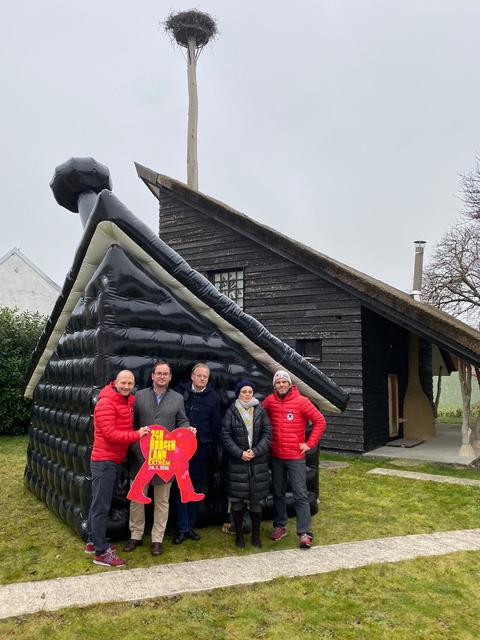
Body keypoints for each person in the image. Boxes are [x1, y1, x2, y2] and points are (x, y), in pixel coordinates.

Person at [124, 360, 192, 556]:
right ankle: (135, 535)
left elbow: (182, 422)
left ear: (170, 377)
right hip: (141, 458)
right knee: (137, 498)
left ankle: (157, 539)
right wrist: (137, 448)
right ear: (152, 375)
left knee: (162, 500)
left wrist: (188, 431)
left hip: (165, 459)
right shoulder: (138, 396)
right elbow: (132, 424)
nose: (162, 376)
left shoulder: (177, 398)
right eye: (159, 373)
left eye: (166, 374)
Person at [85, 370, 150, 567]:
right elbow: (111, 434)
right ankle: (101, 553)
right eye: (123, 382)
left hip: (112, 459)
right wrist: (137, 435)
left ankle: (92, 541)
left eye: (130, 383)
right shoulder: (106, 402)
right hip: (104, 461)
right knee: (101, 506)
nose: (127, 386)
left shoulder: (126, 400)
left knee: (99, 502)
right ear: (115, 382)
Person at [263, 370, 326, 550]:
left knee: (300, 494)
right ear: (274, 386)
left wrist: (309, 444)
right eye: (278, 382)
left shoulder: (302, 402)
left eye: (284, 382)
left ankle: (305, 532)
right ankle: (280, 526)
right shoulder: (269, 401)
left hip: (295, 457)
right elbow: (258, 415)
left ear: (290, 384)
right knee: (278, 492)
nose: (281, 385)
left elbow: (320, 421)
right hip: (276, 457)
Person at [172, 363, 221, 544]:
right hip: (180, 449)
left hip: (201, 450)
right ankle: (181, 527)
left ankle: (190, 525)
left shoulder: (213, 397)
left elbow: (215, 425)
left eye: (205, 377)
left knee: (195, 488)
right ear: (192, 376)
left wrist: (214, 448)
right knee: (179, 488)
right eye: (199, 375)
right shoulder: (179, 392)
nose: (202, 379)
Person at [222, 380, 272, 548]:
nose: (247, 394)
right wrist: (239, 453)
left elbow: (267, 432)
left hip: (257, 461)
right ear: (238, 393)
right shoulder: (231, 411)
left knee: (257, 500)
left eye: (250, 391)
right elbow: (226, 435)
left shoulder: (260, 410)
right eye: (244, 391)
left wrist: (256, 451)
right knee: (237, 500)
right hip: (238, 462)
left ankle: (256, 536)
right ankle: (239, 536)